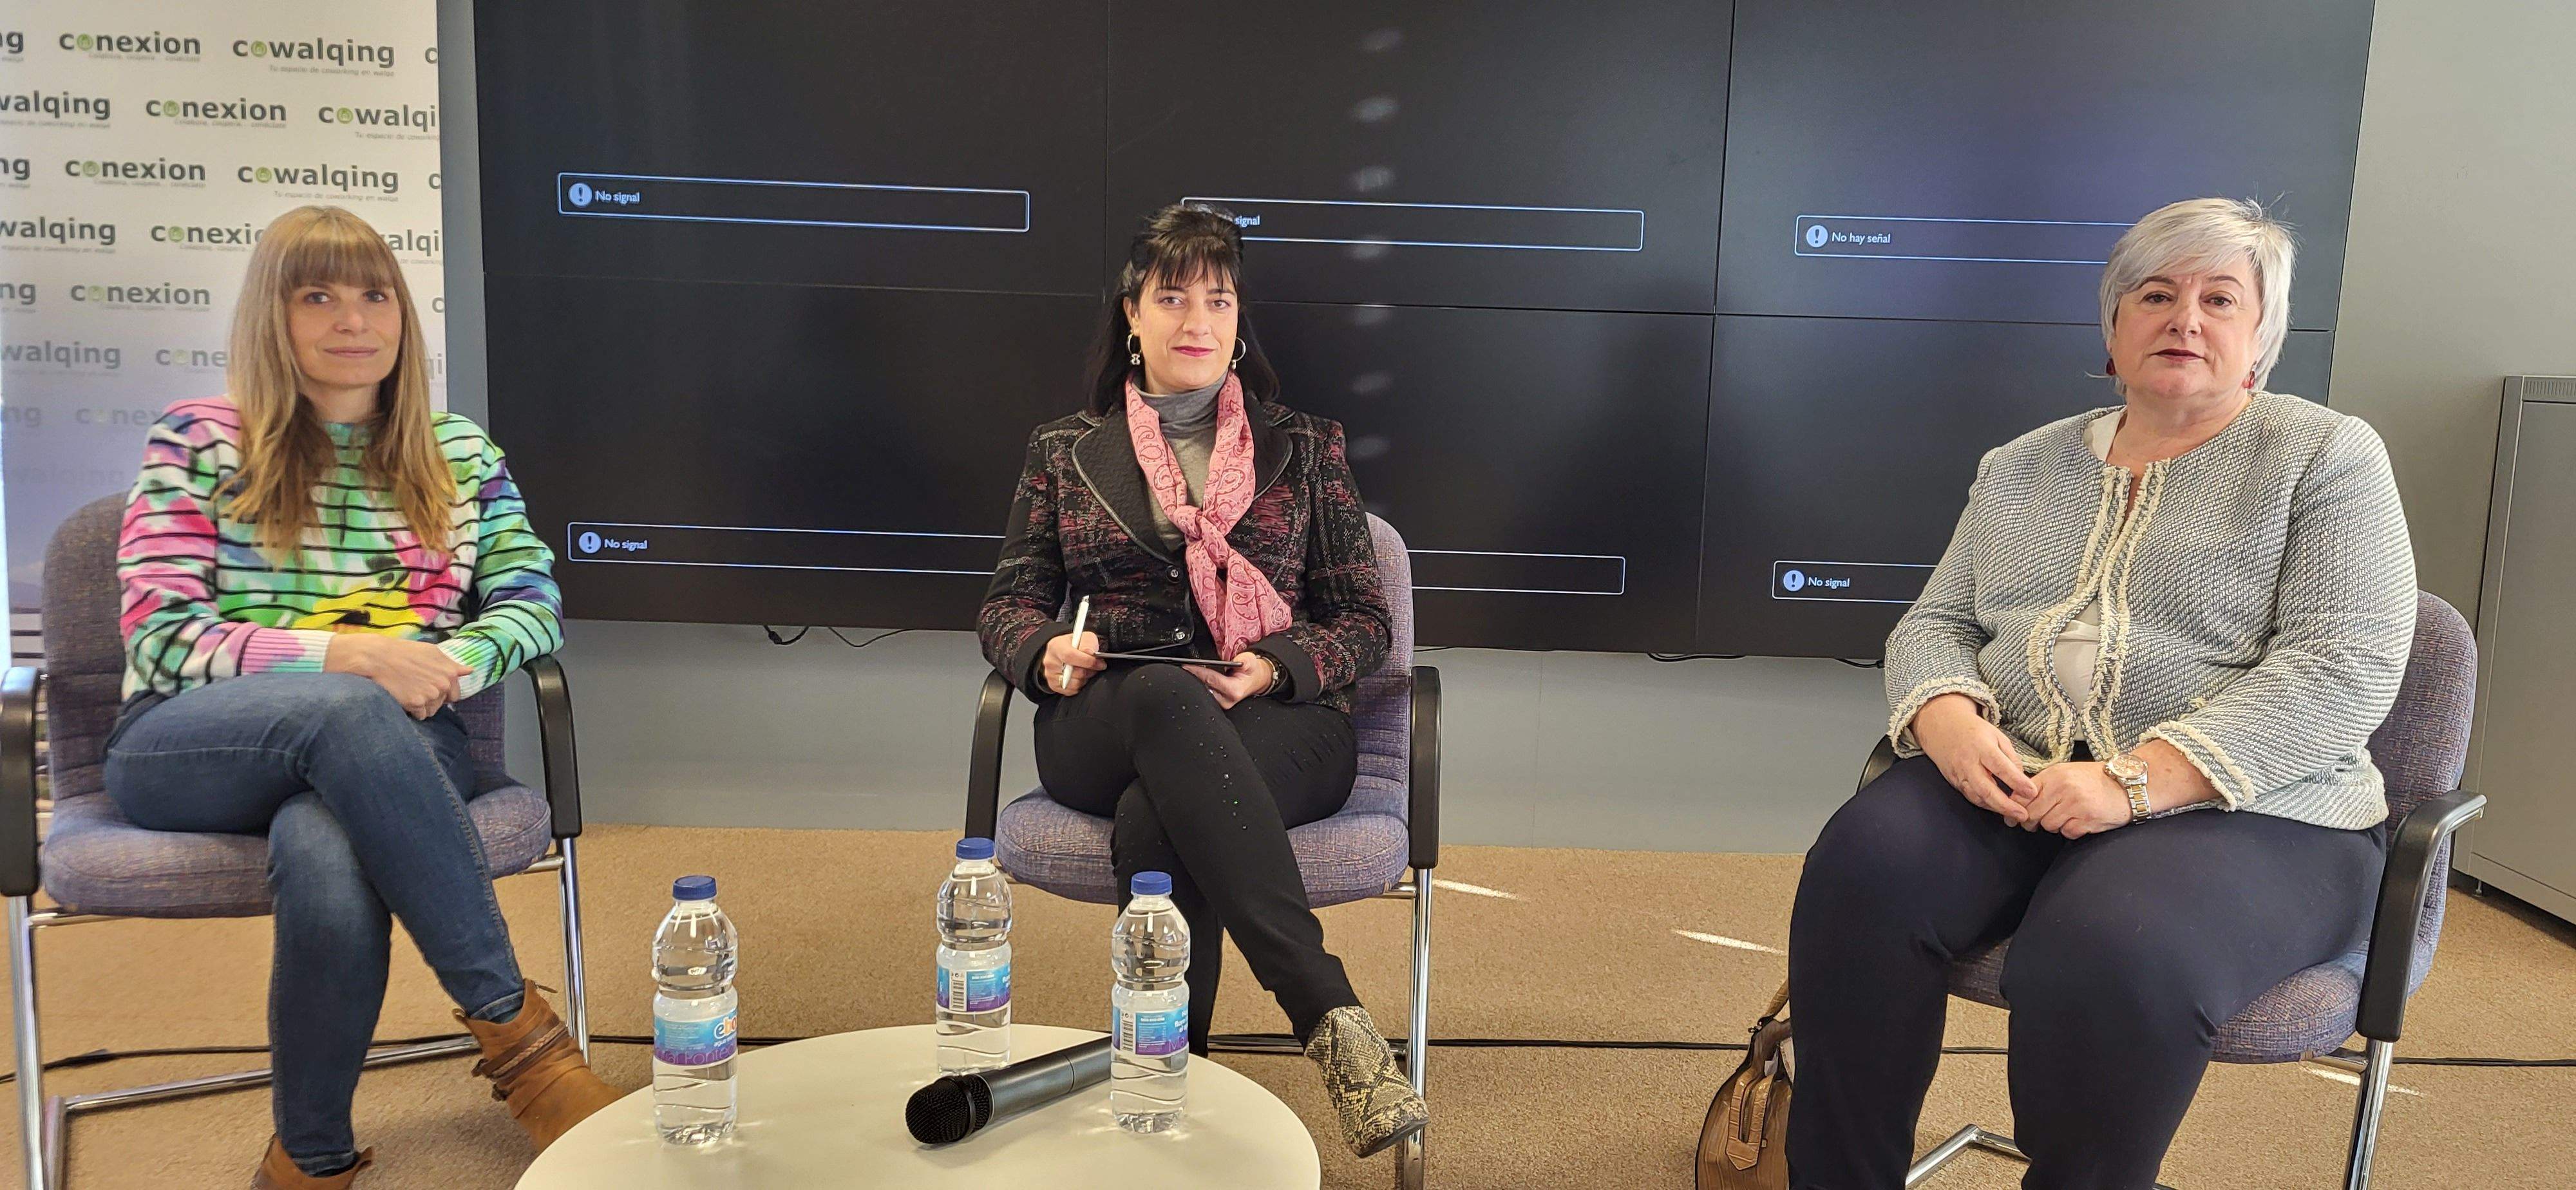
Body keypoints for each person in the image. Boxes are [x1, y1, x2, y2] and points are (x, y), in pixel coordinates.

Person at [1784, 198, 2416, 1189]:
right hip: (2024, 777)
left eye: (2219, 298)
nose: (2185, 319)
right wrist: (1944, 716)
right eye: (2155, 295)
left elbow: (2346, 666)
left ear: (2262, 336)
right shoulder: (2020, 466)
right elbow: (1935, 625)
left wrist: (2137, 781)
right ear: (2113, 328)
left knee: (2108, 949)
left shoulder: (2325, 455)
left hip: (2256, 811)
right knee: (1861, 872)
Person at [106, 206, 618, 1189]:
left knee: (326, 846)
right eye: (318, 295)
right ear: (274, 315)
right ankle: (523, 1043)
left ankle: (309, 1160)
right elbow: (165, 641)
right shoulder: (200, 441)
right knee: (346, 710)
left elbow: (534, 604)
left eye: (374, 294)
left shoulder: (459, 452)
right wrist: (354, 660)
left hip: (399, 741)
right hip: (191, 745)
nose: (353, 318)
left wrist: (444, 668)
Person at [977, 202, 1429, 1158]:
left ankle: (1164, 1101)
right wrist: (1044, 654)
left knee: (1158, 817)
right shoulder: (1063, 451)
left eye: (1217, 299)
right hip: (1101, 718)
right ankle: (1331, 1016)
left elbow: (1364, 621)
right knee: (1160, 695)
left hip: (1281, 722)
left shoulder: (1308, 447)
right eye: (1172, 296)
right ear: (1131, 315)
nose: (1196, 320)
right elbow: (1008, 605)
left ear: (1238, 322)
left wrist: (1274, 666)